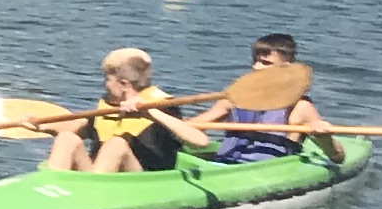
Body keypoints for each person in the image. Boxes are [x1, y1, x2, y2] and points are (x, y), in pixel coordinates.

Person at [39, 47, 211, 174]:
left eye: (107, 79)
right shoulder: (110, 104)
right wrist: (40, 126)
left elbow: (201, 141)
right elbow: (81, 128)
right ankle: (52, 187)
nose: (104, 85)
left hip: (141, 178)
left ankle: (93, 192)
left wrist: (150, 112)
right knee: (67, 138)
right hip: (99, 172)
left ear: (124, 84)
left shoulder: (163, 106)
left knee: (116, 144)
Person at [205, 32, 338, 164]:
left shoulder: (300, 107)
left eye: (266, 63)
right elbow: (196, 124)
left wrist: (324, 138)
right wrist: (190, 130)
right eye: (255, 61)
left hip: (268, 169)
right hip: (224, 164)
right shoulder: (233, 100)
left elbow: (337, 157)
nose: (256, 67)